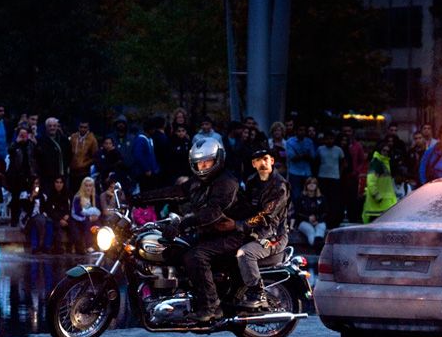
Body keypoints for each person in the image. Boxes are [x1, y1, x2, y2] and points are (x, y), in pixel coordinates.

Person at [132, 138, 247, 323]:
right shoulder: (199, 181)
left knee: (196, 256)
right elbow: (176, 191)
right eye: (198, 163)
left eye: (207, 161)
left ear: (217, 159)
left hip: (231, 235)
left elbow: (212, 213)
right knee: (174, 249)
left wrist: (182, 224)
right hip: (210, 234)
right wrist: (140, 198)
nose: (202, 166)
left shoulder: (226, 183)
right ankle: (182, 293)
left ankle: (210, 306)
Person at [220, 148, 290, 311]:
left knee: (246, 253)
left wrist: (236, 225)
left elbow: (266, 216)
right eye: (258, 160)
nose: (263, 162)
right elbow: (244, 207)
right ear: (253, 163)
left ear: (272, 161)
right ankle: (231, 295)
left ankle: (258, 293)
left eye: (266, 159)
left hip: (273, 237)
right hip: (252, 233)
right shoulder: (252, 181)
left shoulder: (280, 186)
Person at [6, 125, 39, 226]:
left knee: (29, 197)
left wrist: (35, 142)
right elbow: (9, 151)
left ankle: (28, 218)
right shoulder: (15, 145)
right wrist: (17, 142)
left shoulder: (31, 144)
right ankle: (14, 220)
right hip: (16, 176)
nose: (23, 136)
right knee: (15, 198)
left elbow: (39, 154)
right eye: (21, 134)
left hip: (28, 175)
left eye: (25, 134)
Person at [315, 131, 345, 229]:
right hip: (323, 177)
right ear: (324, 139)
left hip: (334, 178)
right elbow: (316, 162)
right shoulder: (320, 149)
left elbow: (343, 163)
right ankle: (324, 221)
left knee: (334, 201)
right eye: (327, 139)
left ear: (334, 139)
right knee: (323, 200)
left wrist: (339, 174)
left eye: (331, 139)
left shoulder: (338, 150)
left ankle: (334, 222)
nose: (329, 141)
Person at [363, 141, 397, 224]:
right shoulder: (376, 162)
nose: (385, 153)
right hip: (377, 205)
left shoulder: (384, 162)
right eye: (383, 150)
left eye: (387, 151)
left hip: (382, 205)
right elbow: (371, 182)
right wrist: (377, 197)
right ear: (379, 150)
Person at [294, 177, 327, 254]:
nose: (312, 185)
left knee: (321, 228)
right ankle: (318, 248)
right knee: (310, 230)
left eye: (314, 183)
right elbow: (297, 213)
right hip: (303, 221)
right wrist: (308, 218)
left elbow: (325, 212)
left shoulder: (321, 198)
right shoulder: (300, 198)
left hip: (318, 221)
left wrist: (317, 219)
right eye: (310, 183)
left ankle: (318, 247)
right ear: (306, 185)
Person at [20, 176, 51, 254]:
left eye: (37, 183)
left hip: (41, 217)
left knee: (49, 225)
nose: (35, 185)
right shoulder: (24, 194)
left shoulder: (43, 196)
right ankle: (35, 247)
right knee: (35, 224)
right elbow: (26, 209)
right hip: (28, 218)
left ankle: (46, 247)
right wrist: (31, 198)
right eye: (33, 183)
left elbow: (45, 209)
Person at [70, 176, 101, 254]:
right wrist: (87, 218)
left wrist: (95, 217)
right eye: (86, 185)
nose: (88, 188)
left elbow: (98, 210)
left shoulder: (95, 198)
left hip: (93, 219)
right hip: (80, 220)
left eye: (90, 186)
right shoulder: (77, 198)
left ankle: (100, 245)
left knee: (99, 223)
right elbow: (74, 214)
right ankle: (89, 246)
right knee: (88, 223)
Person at [285, 124, 316, 200]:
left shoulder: (309, 141)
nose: (302, 132)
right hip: (295, 172)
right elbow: (293, 157)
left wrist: (300, 156)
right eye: (300, 130)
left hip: (306, 172)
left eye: (304, 130)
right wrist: (304, 156)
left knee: (308, 194)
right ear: (296, 131)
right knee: (296, 195)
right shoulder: (290, 142)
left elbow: (312, 157)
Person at [36, 117, 70, 185]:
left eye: (54, 126)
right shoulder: (41, 141)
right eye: (50, 126)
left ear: (57, 126)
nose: (52, 128)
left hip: (62, 174)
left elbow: (69, 155)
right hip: (46, 176)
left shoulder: (64, 140)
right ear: (46, 127)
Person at [68, 119, 98, 194]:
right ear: (78, 127)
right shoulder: (73, 137)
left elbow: (94, 156)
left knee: (83, 193)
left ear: (88, 128)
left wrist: (84, 164)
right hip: (72, 171)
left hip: (84, 172)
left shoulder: (92, 140)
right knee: (72, 192)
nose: (83, 129)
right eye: (81, 127)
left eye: (85, 127)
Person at [45, 176, 71, 254]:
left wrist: (68, 215)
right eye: (57, 182)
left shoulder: (67, 194)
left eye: (60, 182)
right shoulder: (50, 194)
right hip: (55, 217)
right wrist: (60, 219)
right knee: (57, 226)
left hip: (65, 216)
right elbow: (49, 210)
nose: (58, 184)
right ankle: (58, 247)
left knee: (73, 225)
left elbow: (70, 207)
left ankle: (77, 246)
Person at [132, 118, 160, 192]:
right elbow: (138, 156)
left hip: (152, 171)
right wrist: (146, 168)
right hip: (144, 173)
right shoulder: (141, 140)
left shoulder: (149, 139)